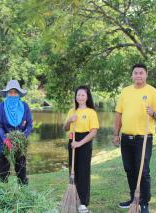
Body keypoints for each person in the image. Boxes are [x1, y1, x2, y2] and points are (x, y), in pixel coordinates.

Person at [113, 64, 156, 213]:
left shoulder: (153, 92)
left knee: (143, 171)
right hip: (126, 138)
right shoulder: (125, 91)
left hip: (144, 138)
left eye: (141, 73)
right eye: (135, 73)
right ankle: (133, 198)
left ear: (146, 74)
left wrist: (153, 113)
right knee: (129, 169)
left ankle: (144, 202)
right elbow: (119, 114)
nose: (138, 75)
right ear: (132, 75)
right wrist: (116, 134)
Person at [63, 85, 99, 213]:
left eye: (83, 95)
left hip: (84, 141)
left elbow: (93, 132)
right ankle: (74, 198)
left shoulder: (91, 112)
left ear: (87, 97)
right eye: (78, 95)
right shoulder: (72, 111)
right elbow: (65, 128)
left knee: (83, 171)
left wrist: (80, 143)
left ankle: (83, 202)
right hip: (72, 140)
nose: (80, 97)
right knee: (73, 171)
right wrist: (69, 121)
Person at [0, 80, 33, 185]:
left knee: (21, 171)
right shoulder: (0, 107)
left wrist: (23, 136)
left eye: (15, 92)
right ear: (7, 93)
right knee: (4, 173)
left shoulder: (25, 106)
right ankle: (4, 194)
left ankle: (24, 192)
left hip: (19, 144)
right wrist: (5, 139)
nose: (13, 94)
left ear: (19, 94)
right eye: (10, 92)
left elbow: (29, 125)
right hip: (3, 144)